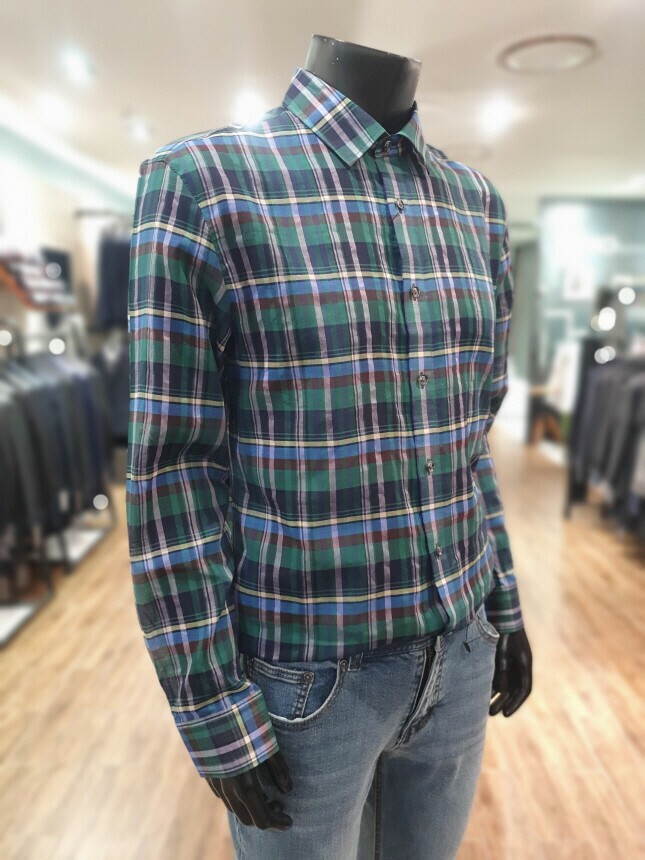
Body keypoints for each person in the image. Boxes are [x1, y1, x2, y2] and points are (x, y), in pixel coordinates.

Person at [126, 33, 533, 860]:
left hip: (461, 653)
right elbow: (173, 470)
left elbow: (469, 443)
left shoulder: (476, 205)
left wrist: (504, 605)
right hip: (305, 686)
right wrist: (212, 706)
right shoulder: (202, 182)